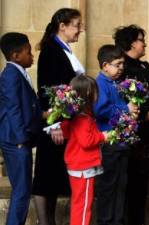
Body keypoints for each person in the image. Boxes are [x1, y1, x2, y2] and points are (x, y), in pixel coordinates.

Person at [33, 8, 84, 225]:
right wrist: (54, 124)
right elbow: (48, 89)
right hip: (54, 125)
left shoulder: (64, 50)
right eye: (76, 25)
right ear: (62, 26)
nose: (80, 30)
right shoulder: (51, 50)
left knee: (53, 177)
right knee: (46, 176)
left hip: (65, 122)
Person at [113, 24, 149, 225]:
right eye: (142, 40)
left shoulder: (145, 66)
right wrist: (144, 115)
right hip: (130, 134)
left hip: (148, 135)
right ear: (132, 43)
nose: (145, 44)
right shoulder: (121, 67)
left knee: (142, 183)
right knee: (128, 183)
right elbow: (119, 101)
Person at [0, 32, 41, 225]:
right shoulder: (10, 74)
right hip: (15, 141)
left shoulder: (17, 72)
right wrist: (19, 140)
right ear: (16, 55)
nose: (32, 56)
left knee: (23, 190)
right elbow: (13, 108)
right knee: (22, 191)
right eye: (28, 52)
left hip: (20, 138)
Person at [93, 44, 137, 225]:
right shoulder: (100, 83)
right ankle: (105, 221)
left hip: (121, 143)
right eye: (117, 64)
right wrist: (125, 108)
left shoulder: (116, 83)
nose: (121, 68)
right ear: (105, 65)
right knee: (108, 187)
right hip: (109, 143)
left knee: (121, 187)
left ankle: (117, 220)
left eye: (122, 65)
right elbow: (100, 109)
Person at [57, 75, 107, 225]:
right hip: (84, 167)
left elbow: (65, 132)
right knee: (84, 206)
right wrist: (103, 136)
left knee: (78, 203)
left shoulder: (74, 116)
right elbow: (87, 141)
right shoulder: (83, 118)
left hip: (77, 166)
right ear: (89, 94)